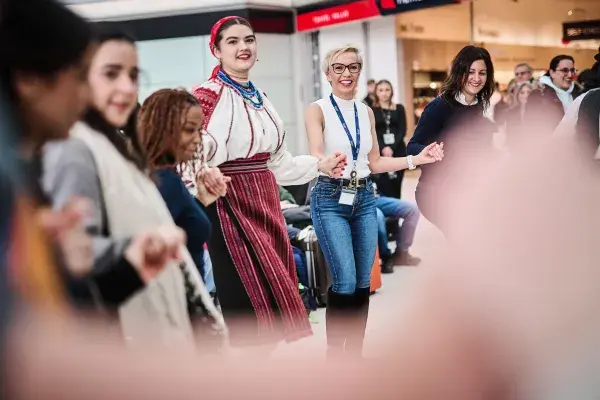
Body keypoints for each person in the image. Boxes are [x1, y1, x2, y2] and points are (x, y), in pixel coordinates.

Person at [42, 30, 222, 349]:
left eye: (134, 75)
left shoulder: (115, 148)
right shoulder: (77, 149)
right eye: (111, 74)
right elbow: (79, 254)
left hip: (158, 326)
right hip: (127, 334)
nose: (127, 87)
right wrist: (137, 249)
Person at [188, 16, 346, 349]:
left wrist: (320, 165)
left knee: (274, 311)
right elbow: (187, 156)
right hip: (227, 204)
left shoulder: (261, 98)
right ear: (216, 50)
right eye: (232, 41)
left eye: (249, 39)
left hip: (265, 201)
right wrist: (201, 183)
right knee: (248, 310)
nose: (243, 47)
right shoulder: (205, 96)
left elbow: (279, 163)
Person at [305, 44, 442, 359]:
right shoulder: (317, 109)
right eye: (339, 67)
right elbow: (316, 152)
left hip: (365, 198)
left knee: (363, 280)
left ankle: (355, 354)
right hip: (329, 197)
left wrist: (416, 159)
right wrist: (324, 163)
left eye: (353, 67)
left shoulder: (365, 111)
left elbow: (375, 162)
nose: (346, 73)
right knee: (345, 278)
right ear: (328, 74)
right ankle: (334, 355)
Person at [407, 45, 496, 236]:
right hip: (436, 192)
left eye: (482, 73)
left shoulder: (478, 106)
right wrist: (430, 151)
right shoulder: (439, 106)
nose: (477, 78)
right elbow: (412, 147)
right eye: (470, 72)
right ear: (459, 72)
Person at [370, 79, 408, 198]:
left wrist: (391, 148)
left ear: (391, 91)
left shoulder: (399, 108)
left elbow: (402, 130)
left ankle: (396, 208)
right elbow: (372, 132)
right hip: (379, 152)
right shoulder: (371, 110)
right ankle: (387, 208)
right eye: (381, 90)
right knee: (384, 184)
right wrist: (383, 147)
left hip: (398, 150)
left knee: (397, 184)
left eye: (387, 90)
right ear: (376, 92)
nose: (384, 93)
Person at [526, 55, 581, 133]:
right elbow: (532, 127)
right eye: (564, 70)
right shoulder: (539, 95)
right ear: (552, 73)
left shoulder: (580, 94)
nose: (570, 75)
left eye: (572, 70)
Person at [375, 193, 421, 274]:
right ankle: (386, 257)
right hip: (359, 203)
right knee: (378, 217)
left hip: (374, 198)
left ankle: (401, 254)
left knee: (413, 210)